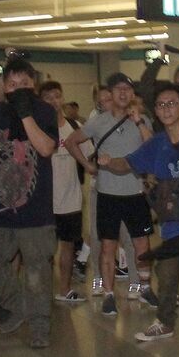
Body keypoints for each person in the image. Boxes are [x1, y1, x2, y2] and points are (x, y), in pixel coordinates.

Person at [98, 82, 179, 354]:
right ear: (156, 112)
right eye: (161, 105)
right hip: (172, 226)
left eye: (172, 103)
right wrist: (109, 161)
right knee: (166, 278)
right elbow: (129, 163)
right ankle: (165, 323)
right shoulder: (156, 143)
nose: (166, 109)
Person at [66, 72, 158, 316]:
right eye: (118, 90)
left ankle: (144, 287)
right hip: (107, 194)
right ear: (110, 93)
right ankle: (108, 293)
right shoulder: (99, 122)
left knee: (142, 244)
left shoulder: (142, 120)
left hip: (135, 193)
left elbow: (153, 149)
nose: (123, 93)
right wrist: (87, 165)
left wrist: (138, 121)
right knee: (108, 245)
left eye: (127, 89)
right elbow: (71, 141)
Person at [0, 59, 58, 349]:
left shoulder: (43, 111)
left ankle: (40, 327)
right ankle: (16, 307)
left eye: (24, 85)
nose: (17, 90)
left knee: (37, 272)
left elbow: (45, 148)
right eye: (12, 85)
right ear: (3, 86)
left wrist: (25, 114)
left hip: (36, 213)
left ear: (33, 85)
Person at [39, 80, 90, 304]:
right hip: (44, 201)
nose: (53, 101)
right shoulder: (36, 128)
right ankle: (41, 294)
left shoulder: (73, 126)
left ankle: (65, 289)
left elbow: (88, 154)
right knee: (44, 251)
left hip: (71, 199)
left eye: (57, 96)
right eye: (48, 97)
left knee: (68, 245)